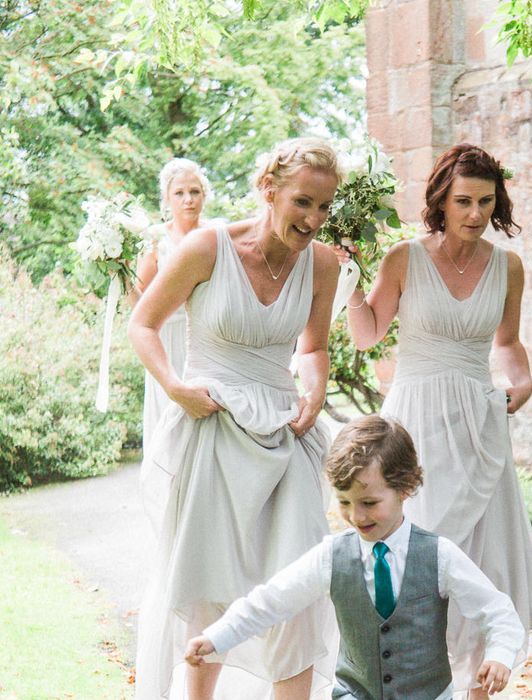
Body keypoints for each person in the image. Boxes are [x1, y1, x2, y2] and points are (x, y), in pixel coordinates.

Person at [337, 143, 532, 698]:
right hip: (415, 425)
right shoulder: (405, 258)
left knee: (482, 563)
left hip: (480, 428)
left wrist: (522, 383)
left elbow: (506, 343)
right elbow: (367, 335)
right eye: (464, 201)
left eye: (486, 201)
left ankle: (478, 689)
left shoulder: (509, 267)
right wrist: (352, 282)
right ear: (440, 199)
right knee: (419, 558)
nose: (476, 214)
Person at [128, 137, 342, 700]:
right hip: (214, 429)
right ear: (269, 190)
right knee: (210, 589)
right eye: (303, 202)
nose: (314, 219)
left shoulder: (322, 264)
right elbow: (143, 324)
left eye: (324, 207)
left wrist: (314, 392)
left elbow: (314, 347)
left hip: (286, 432)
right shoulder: (206, 247)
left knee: (299, 582)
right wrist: (176, 388)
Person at [185, 414, 526, 699]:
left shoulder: (440, 556)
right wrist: (218, 636)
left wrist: (499, 656)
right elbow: (271, 601)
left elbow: (498, 611)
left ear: (405, 487)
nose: (356, 516)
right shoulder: (332, 556)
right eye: (344, 502)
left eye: (369, 503)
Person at [128, 157, 211, 453]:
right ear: (167, 198)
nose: (188, 200)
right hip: (166, 343)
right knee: (169, 431)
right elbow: (141, 304)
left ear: (204, 194)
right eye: (179, 193)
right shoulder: (155, 240)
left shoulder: (216, 234)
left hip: (208, 342)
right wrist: (121, 276)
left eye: (194, 191)